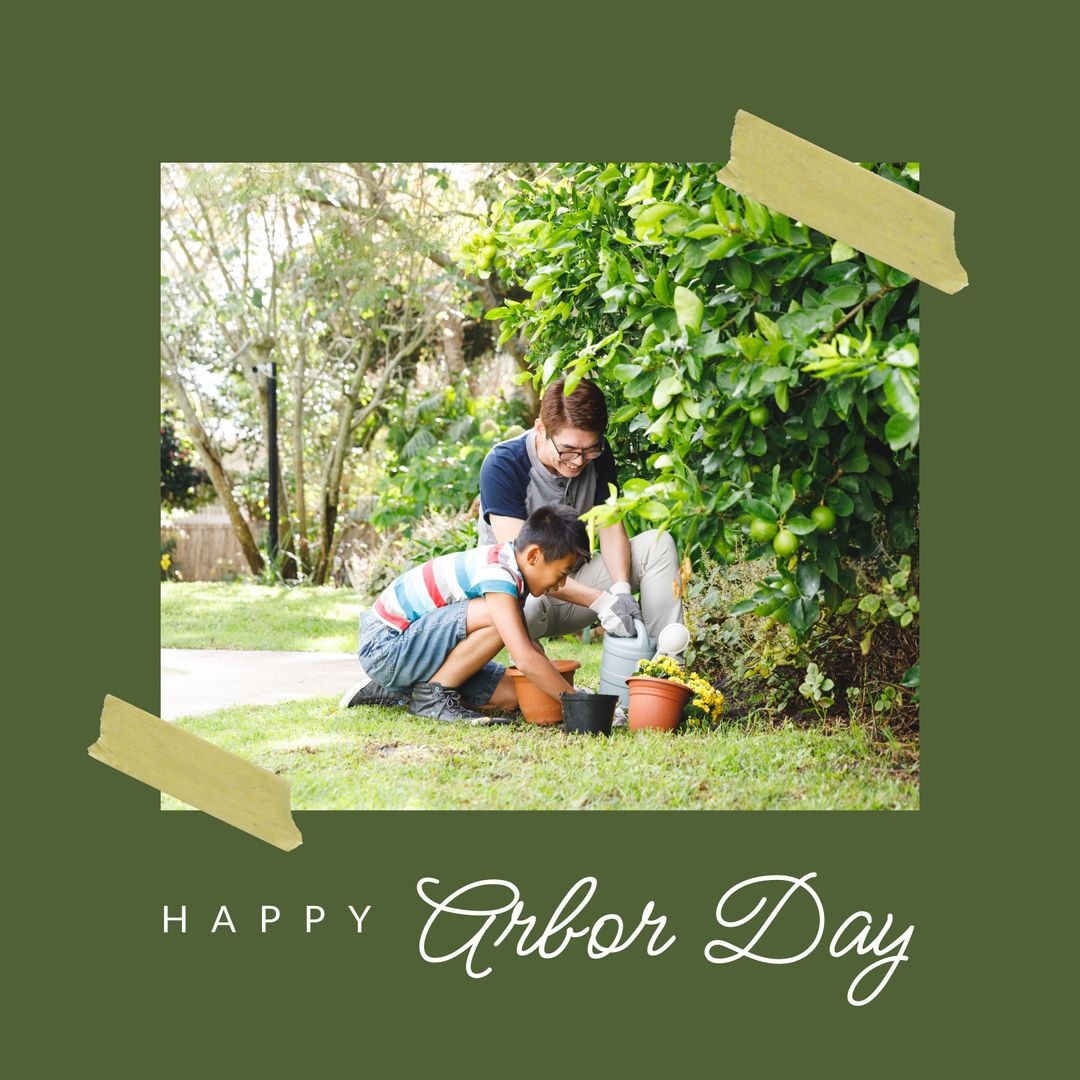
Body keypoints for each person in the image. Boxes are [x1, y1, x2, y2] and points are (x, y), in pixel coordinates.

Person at [476, 376, 683, 644]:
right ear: (540, 429)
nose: (577, 461)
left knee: (658, 546)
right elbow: (521, 562)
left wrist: (620, 592)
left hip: (574, 587)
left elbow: (610, 525)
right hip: (519, 601)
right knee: (527, 594)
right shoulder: (503, 464)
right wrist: (600, 601)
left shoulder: (597, 454)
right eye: (567, 450)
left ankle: (663, 667)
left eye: (589, 451)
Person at [339, 505, 591, 723]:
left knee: (515, 697)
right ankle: (431, 697)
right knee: (495, 616)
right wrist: (576, 702)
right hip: (386, 648)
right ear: (535, 555)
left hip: (417, 649)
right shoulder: (498, 572)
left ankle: (400, 691)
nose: (560, 584)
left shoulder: (514, 570)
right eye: (561, 573)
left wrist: (564, 689)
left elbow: (530, 650)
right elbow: (523, 656)